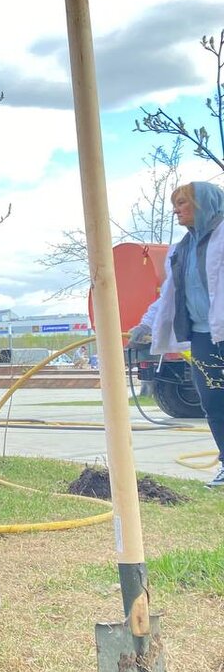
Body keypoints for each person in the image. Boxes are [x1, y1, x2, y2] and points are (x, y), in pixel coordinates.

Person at [130, 181, 224, 488]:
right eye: (175, 204)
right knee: (213, 401)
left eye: (182, 203)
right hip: (203, 337)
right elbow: (169, 295)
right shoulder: (180, 249)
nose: (175, 210)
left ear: (203, 205)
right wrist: (146, 324)